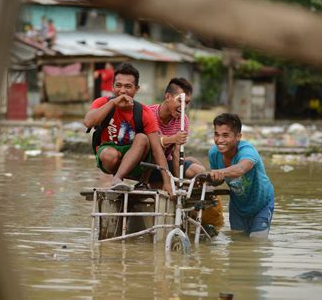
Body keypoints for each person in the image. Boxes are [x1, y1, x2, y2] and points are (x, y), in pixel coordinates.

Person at [83, 63, 172, 195]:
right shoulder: (102, 102)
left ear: (137, 89)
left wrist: (167, 182)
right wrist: (112, 103)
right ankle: (117, 178)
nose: (123, 91)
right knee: (109, 154)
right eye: (118, 86)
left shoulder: (143, 112)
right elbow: (88, 122)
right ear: (112, 86)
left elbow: (157, 149)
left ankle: (126, 179)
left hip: (136, 160)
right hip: (110, 157)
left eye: (128, 86)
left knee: (142, 137)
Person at [147, 77, 224, 229]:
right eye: (180, 101)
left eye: (187, 103)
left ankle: (202, 221)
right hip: (148, 164)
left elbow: (177, 154)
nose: (183, 107)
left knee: (199, 170)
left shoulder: (183, 120)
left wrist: (178, 183)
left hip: (167, 163)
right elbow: (152, 144)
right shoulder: (149, 114)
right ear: (168, 97)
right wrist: (173, 138)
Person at [208, 113, 274, 239]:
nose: (219, 140)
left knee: (257, 241)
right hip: (238, 207)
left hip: (262, 203)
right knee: (237, 242)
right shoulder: (213, 153)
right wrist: (211, 180)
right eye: (216, 134)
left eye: (225, 135)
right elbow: (217, 180)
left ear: (238, 136)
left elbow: (241, 169)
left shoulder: (247, 150)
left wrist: (222, 172)